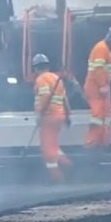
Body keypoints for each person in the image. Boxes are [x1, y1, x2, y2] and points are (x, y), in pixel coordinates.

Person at [84, 24, 111, 149]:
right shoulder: (101, 48)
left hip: (102, 87)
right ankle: (92, 144)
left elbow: (106, 67)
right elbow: (98, 69)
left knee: (106, 116)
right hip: (95, 88)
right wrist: (103, 85)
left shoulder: (106, 49)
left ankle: (103, 142)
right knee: (98, 116)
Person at [33, 53, 71, 181]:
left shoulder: (41, 79)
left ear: (36, 68)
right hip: (59, 116)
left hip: (48, 117)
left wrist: (39, 115)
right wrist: (68, 115)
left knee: (48, 151)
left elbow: (44, 97)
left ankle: (58, 179)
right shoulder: (56, 78)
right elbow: (65, 99)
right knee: (54, 145)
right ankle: (69, 166)